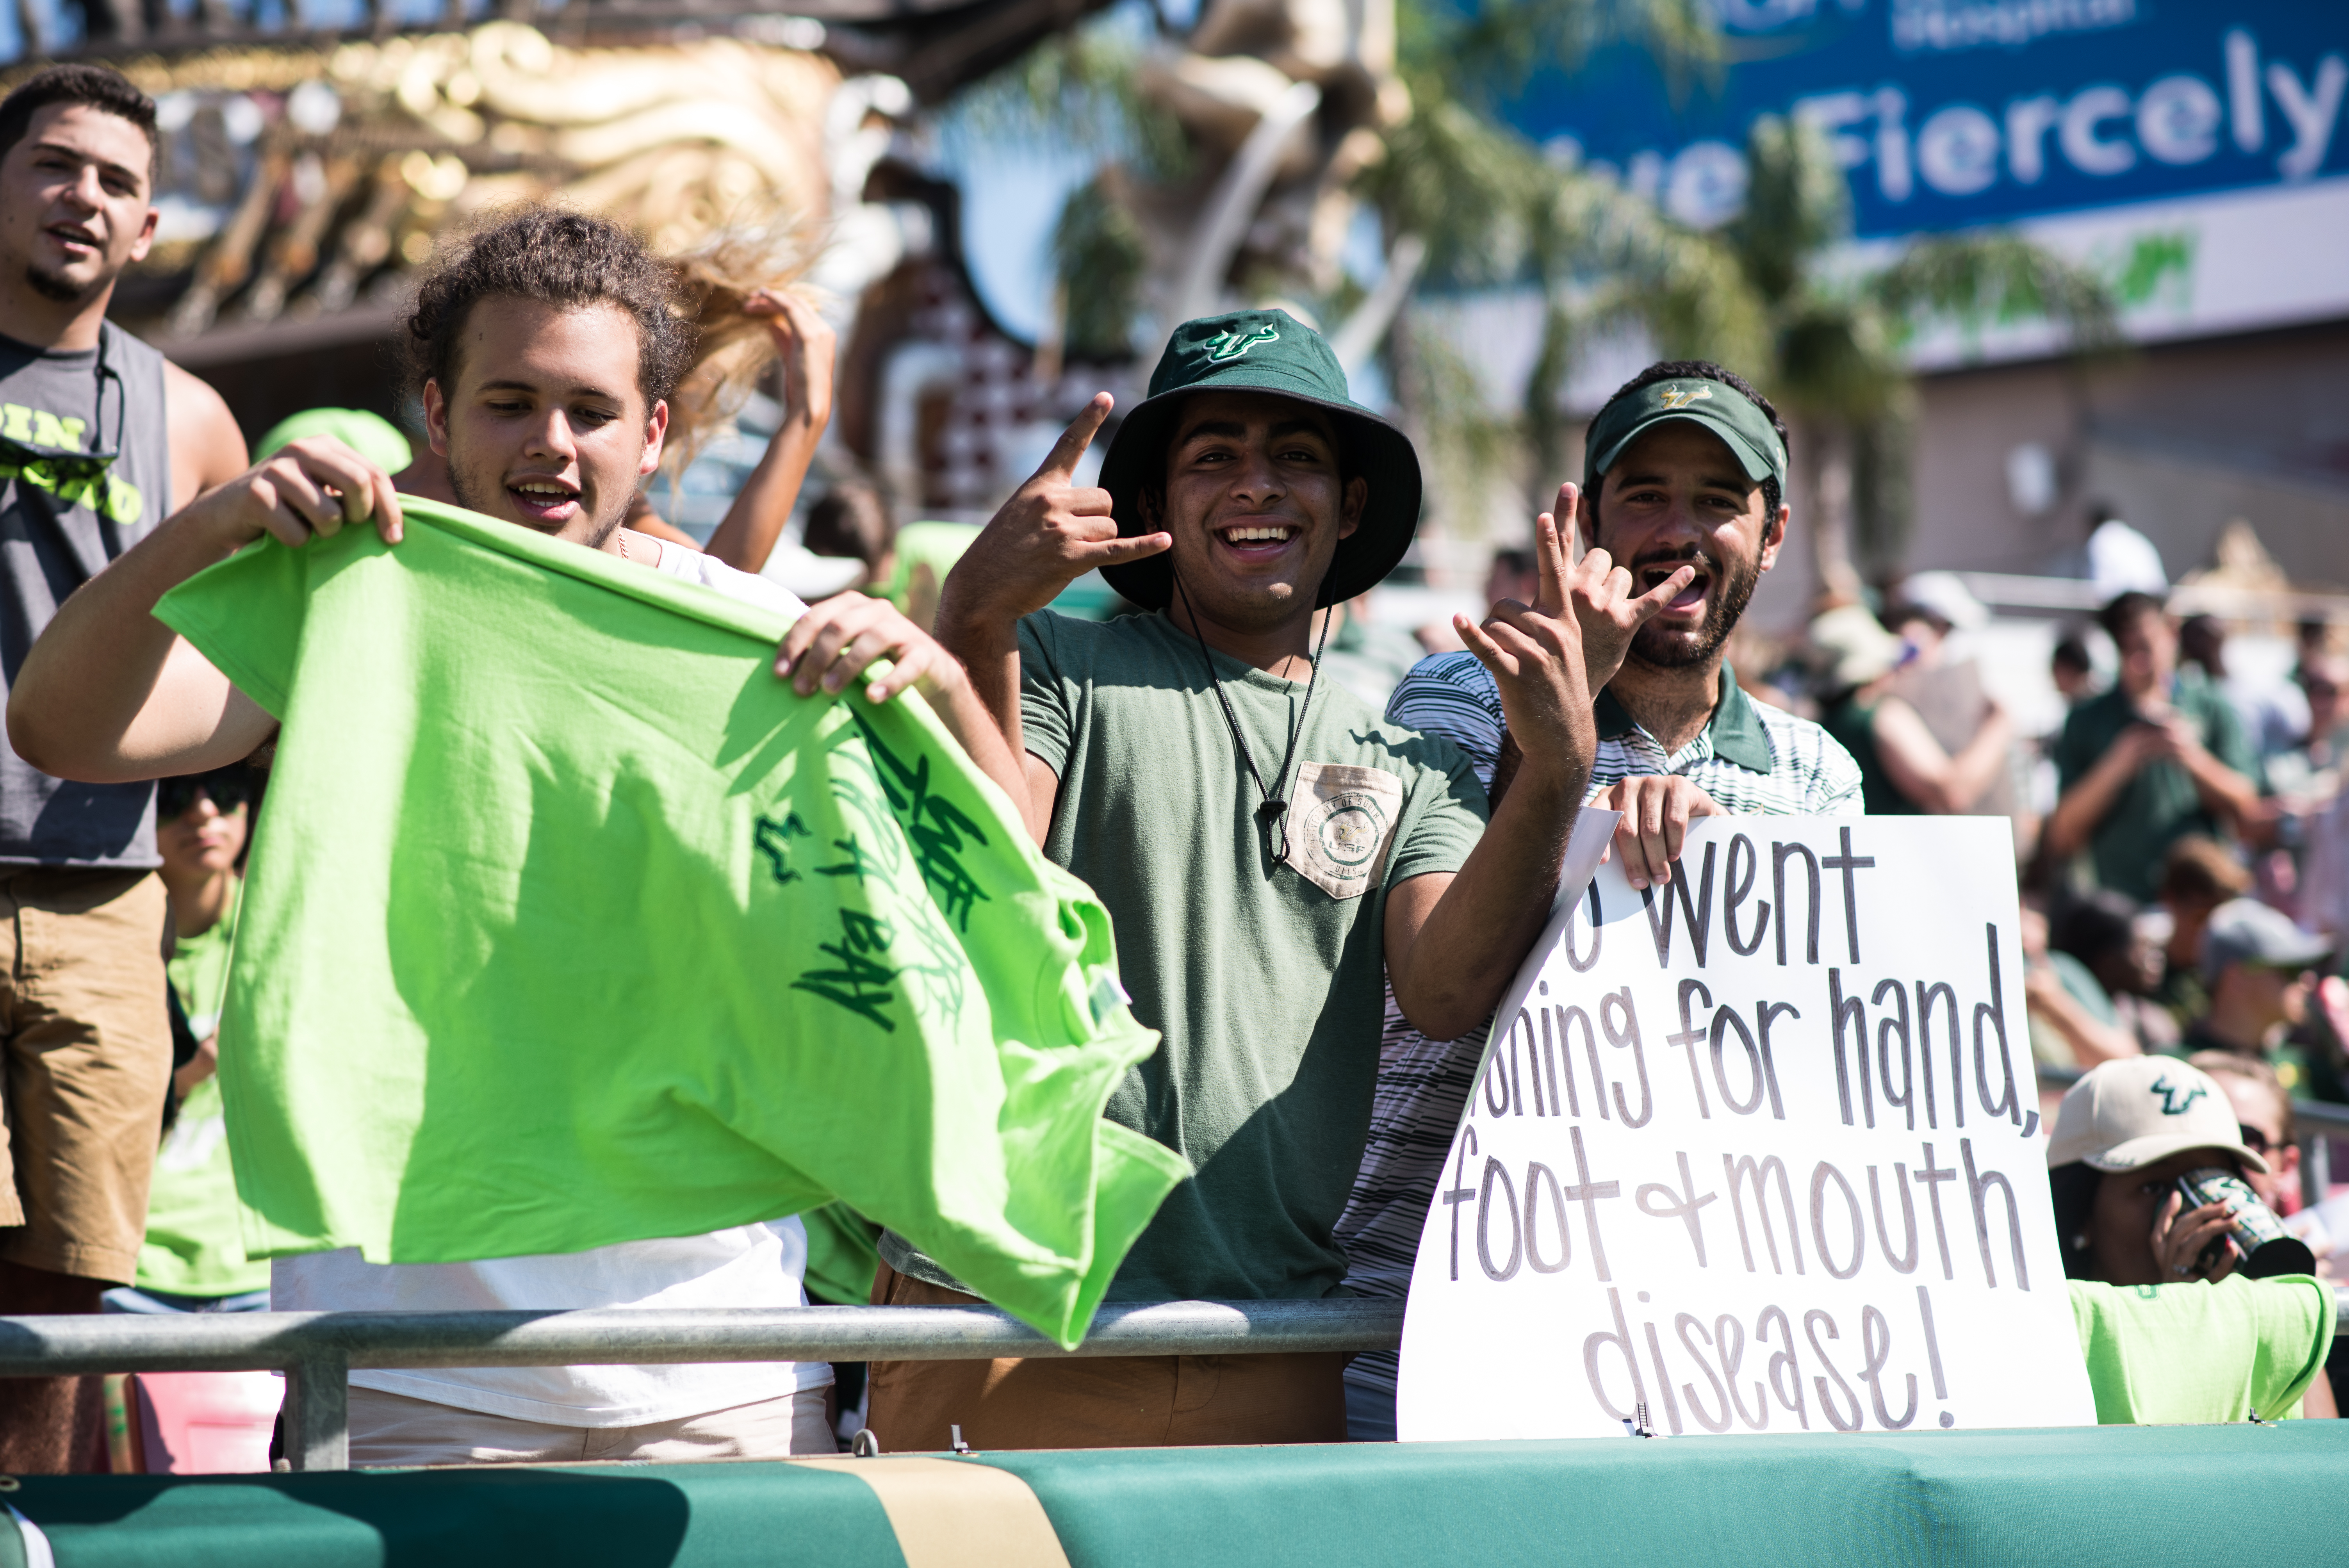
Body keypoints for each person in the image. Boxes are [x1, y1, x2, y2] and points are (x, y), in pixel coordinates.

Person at [10, 207, 1012, 1466]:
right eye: (508, 401)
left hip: (721, 1379)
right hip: (404, 1384)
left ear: (653, 433)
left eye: (590, 409)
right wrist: (212, 525)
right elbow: (58, 723)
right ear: (436, 413)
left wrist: (952, 681)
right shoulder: (339, 614)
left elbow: (1007, 884)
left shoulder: (761, 640)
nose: (551, 441)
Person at [879, 307, 1683, 1450]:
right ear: (1152, 502)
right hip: (1005, 1315)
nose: (1256, 486)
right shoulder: (1058, 659)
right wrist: (973, 612)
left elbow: (1448, 991)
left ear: (1349, 504)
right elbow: (986, 877)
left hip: (1271, 1334)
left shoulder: (1413, 757)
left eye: (1296, 458)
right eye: (1213, 457)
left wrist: (1555, 761)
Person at [1337, 360, 1862, 1438]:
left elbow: (1809, 1072)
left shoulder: (1818, 777)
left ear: (1772, 537)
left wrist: (1733, 881)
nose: (1680, 530)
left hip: (1687, 1364)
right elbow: (1442, 979)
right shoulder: (1458, 694)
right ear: (1588, 525)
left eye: (1720, 501)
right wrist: (1567, 736)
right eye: (1646, 495)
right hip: (1415, 1332)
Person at [0, 63, 252, 1474]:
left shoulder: (195, 421)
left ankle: (21, 1529)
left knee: (73, 1278)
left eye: (114, 181)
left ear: (149, 230)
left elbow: (241, 666)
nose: (80, 196)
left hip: (110, 896)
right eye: (52, 163)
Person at [2048, 1056, 2335, 1422]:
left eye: (2210, 1180)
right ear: (2080, 1211)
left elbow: (2326, 1464)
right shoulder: (2055, 1327)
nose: (2192, 1213)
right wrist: (2176, 1321)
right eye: (2154, 1187)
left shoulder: (2276, 1311)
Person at [102, 763, 270, 1315]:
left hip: (265, 1270)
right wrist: (192, 1072)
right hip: (134, 1275)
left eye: (224, 792)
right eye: (175, 794)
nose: (203, 812)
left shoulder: (282, 922)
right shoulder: (104, 940)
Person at [2045, 592, 2263, 905]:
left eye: (2146, 646)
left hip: (2203, 904)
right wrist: (2118, 764)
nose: (2138, 663)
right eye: (2126, 649)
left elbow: (2249, 809)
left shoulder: (2211, 705)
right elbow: (2062, 834)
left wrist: (2191, 757)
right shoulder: (2086, 719)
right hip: (2122, 903)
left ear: (2171, 632)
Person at [1813, 602, 2014, 817]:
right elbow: (1952, 793)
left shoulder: (1822, 725)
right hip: (1891, 847)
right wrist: (1998, 727)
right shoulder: (1883, 715)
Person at [2175, 898, 2339, 1102]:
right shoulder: (2175, 1070)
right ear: (2237, 979)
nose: (2307, 980)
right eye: (2291, 969)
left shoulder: (2312, 1073)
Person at [2151, 836, 2252, 1029]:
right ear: (2169, 901)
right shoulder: (2147, 974)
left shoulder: (2235, 976)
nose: (2214, 931)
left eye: (2223, 920)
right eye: (2202, 918)